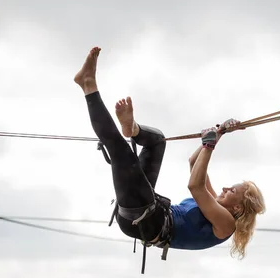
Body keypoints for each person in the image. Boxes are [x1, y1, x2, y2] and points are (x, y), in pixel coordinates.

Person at [74, 46, 265, 260]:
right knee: (157, 141)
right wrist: (219, 132)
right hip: (148, 208)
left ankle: (88, 84)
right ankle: (133, 129)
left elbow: (195, 185)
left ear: (238, 207)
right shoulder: (215, 202)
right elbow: (194, 163)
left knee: (120, 150)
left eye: (232, 190)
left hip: (146, 221)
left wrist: (210, 145)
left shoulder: (225, 224)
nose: (225, 187)